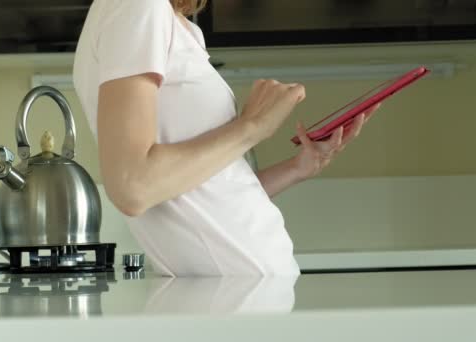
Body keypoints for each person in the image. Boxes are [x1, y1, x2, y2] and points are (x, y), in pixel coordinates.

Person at [73, 0, 379, 276]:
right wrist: (253, 126)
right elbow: (133, 185)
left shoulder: (166, 19)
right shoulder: (138, 7)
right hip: (231, 303)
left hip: (249, 295)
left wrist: (298, 168)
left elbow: (200, 194)